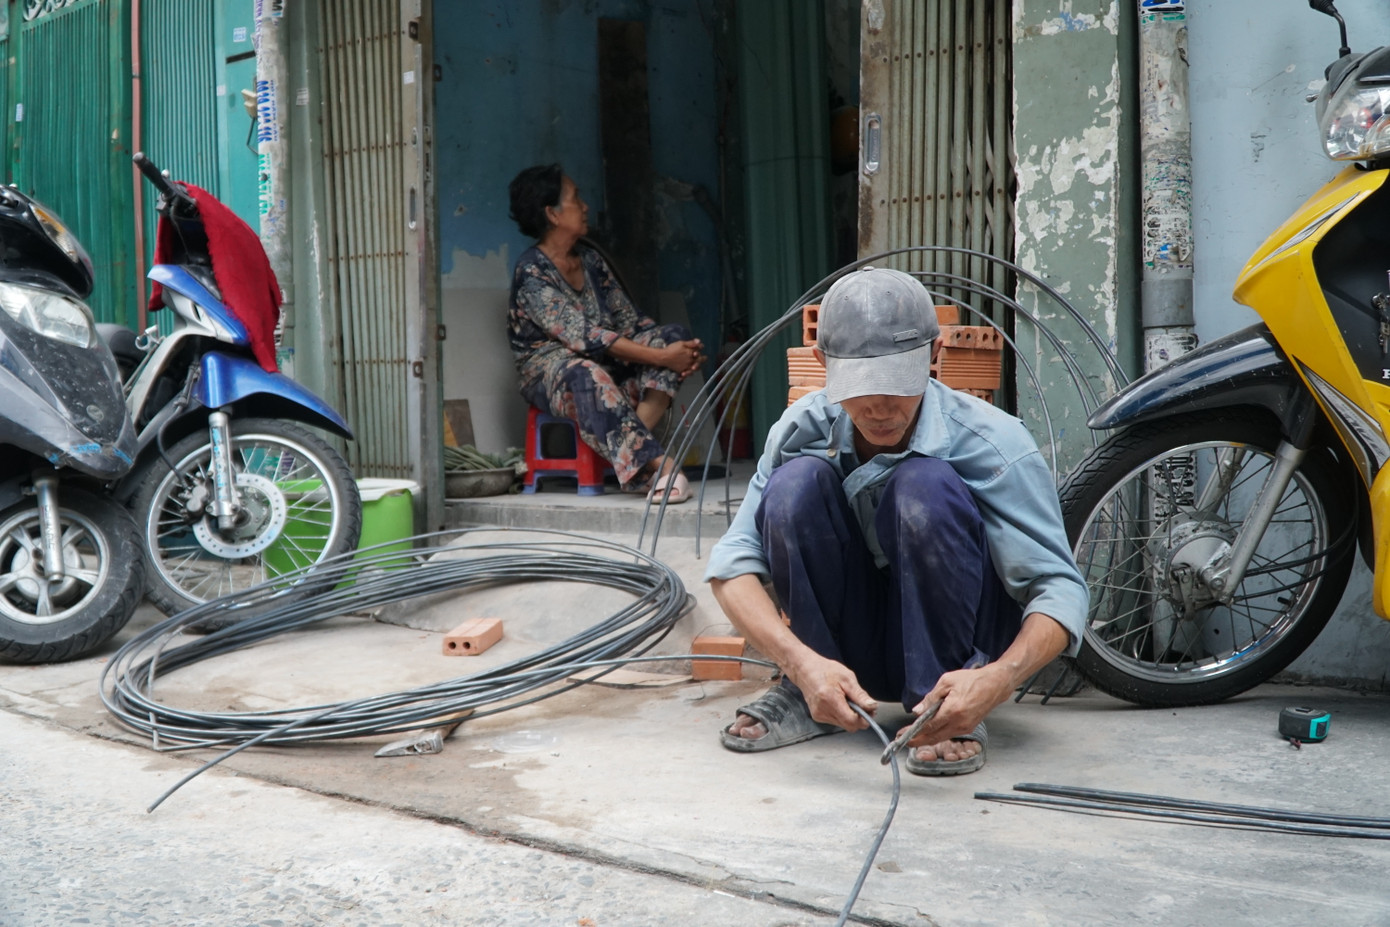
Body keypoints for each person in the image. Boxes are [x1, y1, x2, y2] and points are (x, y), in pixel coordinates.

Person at [704, 266, 1088, 775]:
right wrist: (799, 662)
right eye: (862, 386)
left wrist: (999, 678)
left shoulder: (994, 443)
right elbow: (731, 568)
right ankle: (810, 693)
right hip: (850, 649)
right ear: (823, 364)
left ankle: (948, 708)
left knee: (923, 486)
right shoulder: (801, 430)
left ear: (934, 355)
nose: (881, 407)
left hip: (963, 646)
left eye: (898, 384)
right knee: (795, 484)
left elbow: (1060, 588)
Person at [507, 164, 706, 502]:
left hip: (604, 364)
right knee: (586, 373)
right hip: (550, 372)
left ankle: (633, 454)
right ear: (552, 214)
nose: (585, 206)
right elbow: (584, 338)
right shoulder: (532, 273)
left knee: (672, 334)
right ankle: (661, 465)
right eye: (576, 198)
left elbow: (630, 322)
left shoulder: (590, 260)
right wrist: (662, 359)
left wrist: (680, 351)